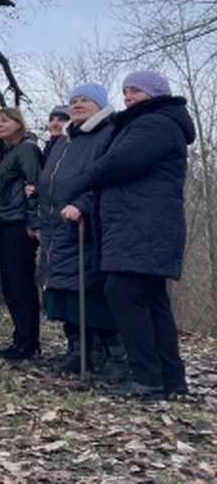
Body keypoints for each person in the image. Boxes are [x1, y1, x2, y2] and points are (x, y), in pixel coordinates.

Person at [71, 71, 194, 398]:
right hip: (138, 225)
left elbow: (119, 162)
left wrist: (84, 179)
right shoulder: (151, 122)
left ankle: (146, 376)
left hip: (143, 225)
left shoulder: (155, 124)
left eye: (135, 91)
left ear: (155, 93)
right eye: (125, 91)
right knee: (151, 299)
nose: (127, 97)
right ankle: (170, 378)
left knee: (123, 291)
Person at [33, 84, 125, 380]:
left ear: (100, 105)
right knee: (61, 291)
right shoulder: (65, 138)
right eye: (73, 101)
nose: (77, 105)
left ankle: (112, 353)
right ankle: (77, 349)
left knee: (89, 292)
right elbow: (48, 182)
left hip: (84, 226)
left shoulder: (108, 133)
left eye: (85, 100)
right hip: (54, 227)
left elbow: (105, 177)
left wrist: (83, 205)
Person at [0, 107, 43, 360]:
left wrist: (33, 221)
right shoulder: (1, 154)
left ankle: (28, 342)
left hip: (19, 224)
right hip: (2, 223)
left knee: (20, 283)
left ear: (17, 122)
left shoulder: (27, 149)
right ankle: (20, 340)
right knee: (10, 284)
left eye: (5, 120)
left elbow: (36, 186)